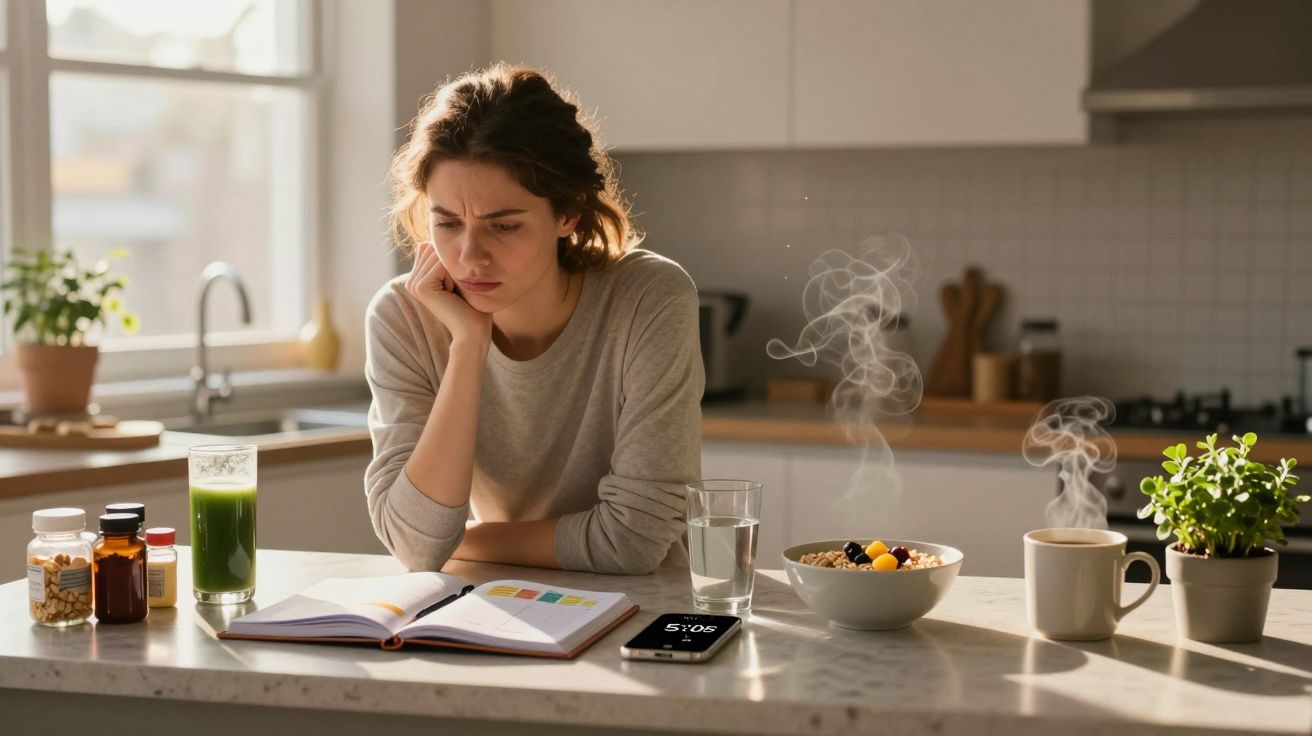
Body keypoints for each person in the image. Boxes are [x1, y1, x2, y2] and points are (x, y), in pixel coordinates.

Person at [364, 64, 704, 575]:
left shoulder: (649, 298)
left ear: (567, 213)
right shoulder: (402, 317)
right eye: (447, 224)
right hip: (489, 613)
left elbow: (632, 541)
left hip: (640, 610)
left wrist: (457, 541)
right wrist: (468, 346)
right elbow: (415, 545)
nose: (470, 256)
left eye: (503, 226)